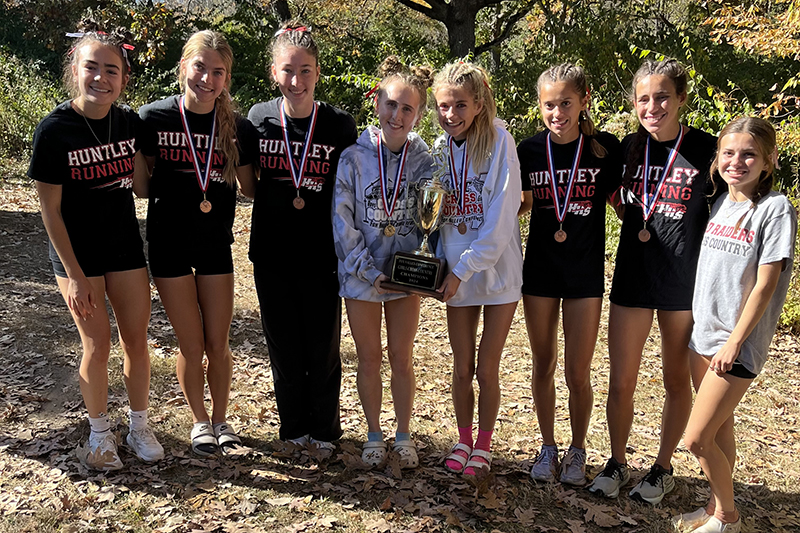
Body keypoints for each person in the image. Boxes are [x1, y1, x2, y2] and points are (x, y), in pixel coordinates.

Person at [30, 20, 163, 470]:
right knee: (96, 344)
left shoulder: (129, 123)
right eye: (92, 67)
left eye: (112, 70)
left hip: (124, 246)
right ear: (75, 69)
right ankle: (100, 434)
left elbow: (143, 186)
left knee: (136, 342)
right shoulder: (54, 130)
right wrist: (73, 275)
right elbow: (49, 210)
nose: (101, 78)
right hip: (76, 255)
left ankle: (140, 426)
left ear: (123, 79)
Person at [588, 59, 722, 503]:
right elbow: (613, 193)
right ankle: (617, 461)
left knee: (674, 381)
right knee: (621, 381)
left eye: (662, 96)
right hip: (633, 277)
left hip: (682, 282)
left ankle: (662, 468)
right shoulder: (629, 148)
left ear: (681, 98)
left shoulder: (708, 148)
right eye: (643, 98)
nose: (652, 106)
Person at [673, 117, 796, 533]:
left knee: (695, 438)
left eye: (748, 154)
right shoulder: (724, 202)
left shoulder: (775, 209)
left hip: (735, 345)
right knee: (720, 430)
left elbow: (765, 285)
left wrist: (734, 343)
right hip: (703, 336)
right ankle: (713, 507)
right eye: (729, 153)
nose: (736, 162)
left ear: (768, 160)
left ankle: (728, 517)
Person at [136, 30, 255, 456]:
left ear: (226, 77)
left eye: (217, 72)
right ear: (184, 65)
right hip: (168, 243)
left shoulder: (238, 127)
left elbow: (252, 188)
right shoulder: (151, 118)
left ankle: (222, 420)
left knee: (217, 343)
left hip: (215, 245)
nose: (207, 78)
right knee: (190, 343)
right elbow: (143, 188)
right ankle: (200, 422)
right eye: (200, 67)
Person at [247, 22, 357, 457]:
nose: (297, 81)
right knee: (284, 346)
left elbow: (350, 188)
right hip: (271, 251)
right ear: (274, 72)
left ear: (317, 73)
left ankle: (326, 431)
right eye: (288, 71)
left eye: (306, 71)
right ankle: (293, 428)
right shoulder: (257, 119)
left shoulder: (337, 125)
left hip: (321, 253)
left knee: (323, 348)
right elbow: (248, 183)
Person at [517, 63, 622, 485]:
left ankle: (578, 450)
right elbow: (520, 206)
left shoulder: (605, 148)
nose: (557, 112)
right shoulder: (527, 149)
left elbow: (624, 204)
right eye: (548, 104)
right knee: (543, 364)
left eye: (565, 102)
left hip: (584, 275)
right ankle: (547, 447)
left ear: (584, 100)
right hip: (539, 273)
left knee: (578, 372)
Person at [332, 56, 434, 469]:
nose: (397, 114)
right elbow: (342, 221)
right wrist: (368, 271)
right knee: (369, 357)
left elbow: (436, 219)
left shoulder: (425, 160)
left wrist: (429, 267)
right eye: (391, 104)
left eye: (407, 108)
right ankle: (374, 433)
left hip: (407, 276)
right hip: (362, 277)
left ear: (419, 115)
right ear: (377, 103)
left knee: (402, 357)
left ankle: (404, 433)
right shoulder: (353, 158)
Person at [432, 61, 523, 477]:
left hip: (496, 272)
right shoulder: (437, 148)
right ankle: (463, 438)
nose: (451, 115)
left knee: (487, 367)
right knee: (462, 365)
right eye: (443, 106)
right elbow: (430, 216)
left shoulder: (501, 143)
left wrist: (462, 269)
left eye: (460, 105)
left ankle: (484, 445)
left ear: (480, 104)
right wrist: (431, 265)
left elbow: (503, 218)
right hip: (454, 273)